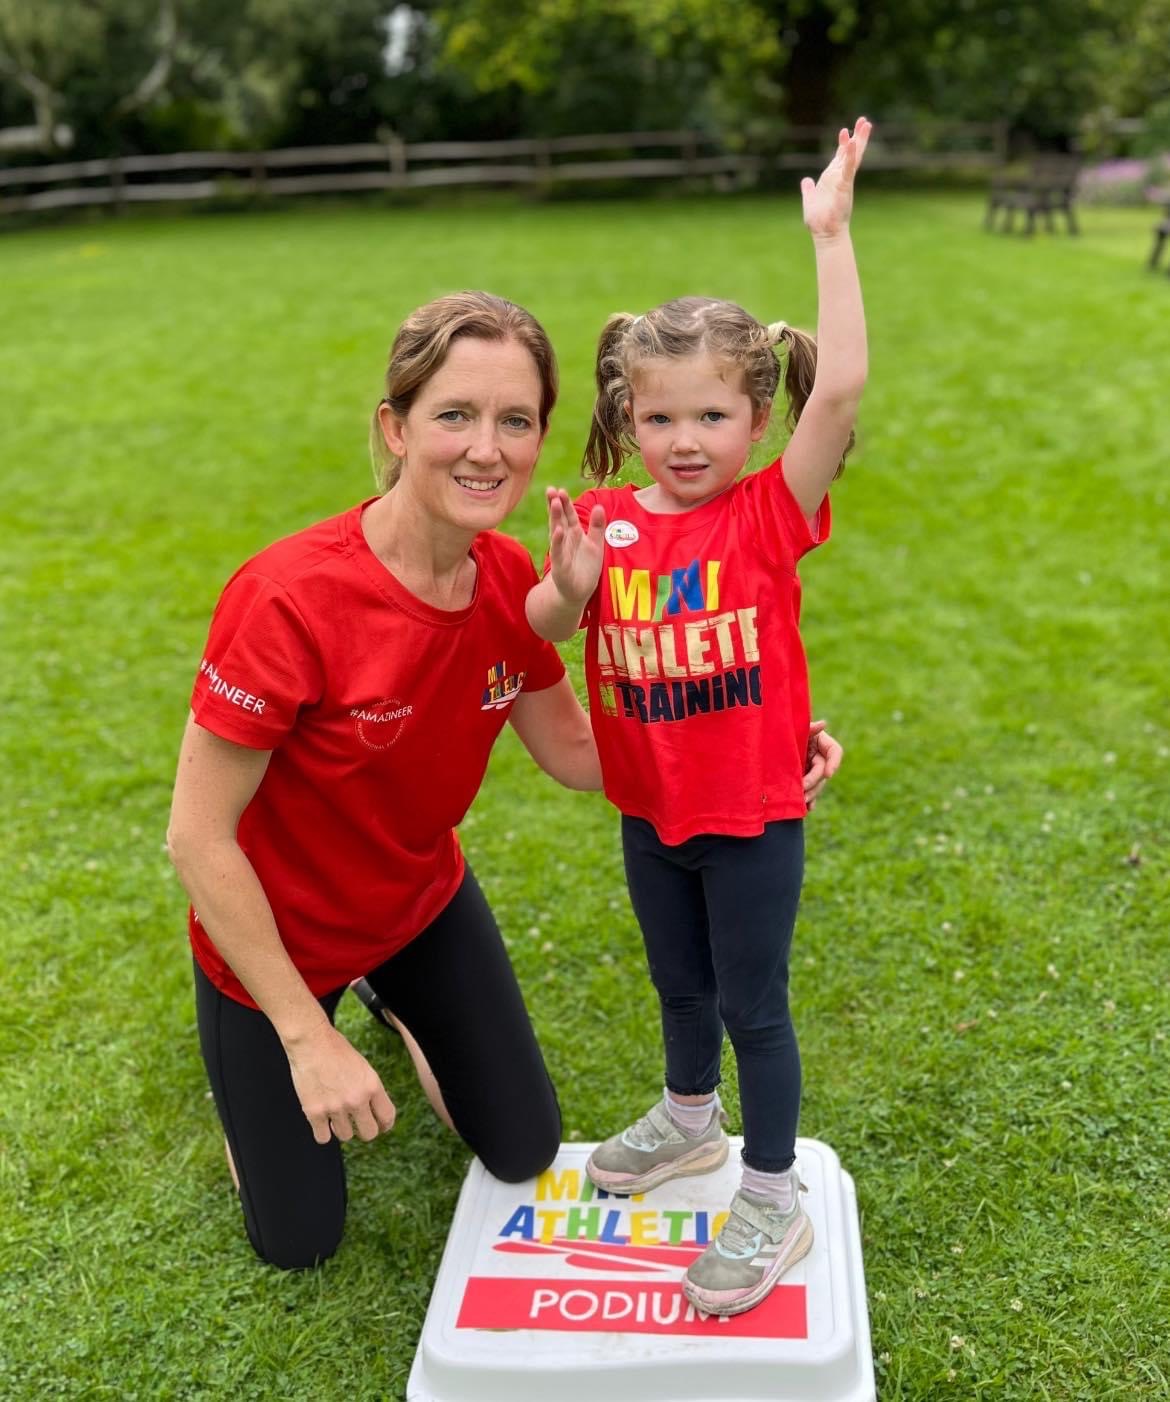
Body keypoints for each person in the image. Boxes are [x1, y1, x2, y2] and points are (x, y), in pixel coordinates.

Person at [168, 290, 844, 1272]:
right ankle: (282, 1045)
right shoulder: (286, 595)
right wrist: (304, 1038)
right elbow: (196, 838)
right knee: (299, 1238)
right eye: (455, 415)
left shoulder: (506, 578)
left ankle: (389, 999)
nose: (487, 450)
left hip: (418, 906)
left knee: (525, 1145)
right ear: (396, 428)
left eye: (515, 421)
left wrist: (751, 740)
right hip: (281, 934)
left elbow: (579, 753)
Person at [525, 119, 870, 1317]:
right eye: (662, 419)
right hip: (649, 809)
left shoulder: (768, 512)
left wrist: (831, 236)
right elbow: (543, 625)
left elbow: (847, 392)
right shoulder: (604, 522)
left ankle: (771, 1196)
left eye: (712, 418)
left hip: (753, 815)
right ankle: (688, 1119)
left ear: (756, 422)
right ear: (630, 417)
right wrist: (568, 587)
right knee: (678, 987)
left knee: (750, 1006)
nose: (685, 442)